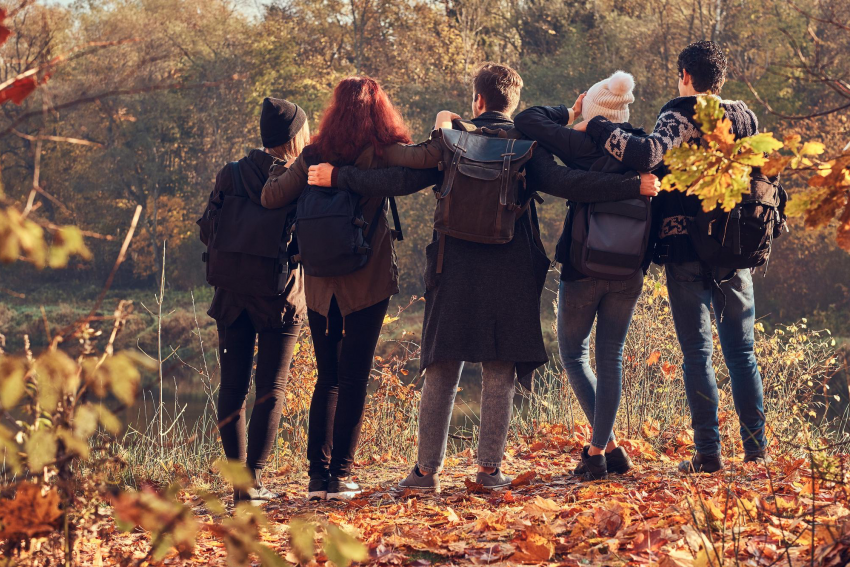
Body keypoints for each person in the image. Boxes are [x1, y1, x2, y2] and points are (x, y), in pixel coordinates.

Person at [307, 63, 659, 492]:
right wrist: (631, 185)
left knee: (442, 366)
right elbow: (573, 183)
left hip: (452, 267)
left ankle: (425, 472)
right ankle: (489, 471)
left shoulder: (453, 141)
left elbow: (398, 179)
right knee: (499, 369)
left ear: (478, 100)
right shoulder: (528, 146)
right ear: (512, 103)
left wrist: (340, 176)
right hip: (510, 269)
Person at [577, 41, 768, 473]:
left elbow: (646, 154)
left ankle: (709, 454)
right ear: (720, 78)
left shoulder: (680, 113)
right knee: (742, 353)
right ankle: (756, 452)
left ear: (685, 74)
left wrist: (597, 126)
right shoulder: (745, 117)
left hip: (687, 247)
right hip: (735, 248)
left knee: (697, 354)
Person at [261, 77, 440, 500]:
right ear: (379, 111)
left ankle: (317, 479)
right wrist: (443, 126)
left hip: (320, 283)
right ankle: (340, 477)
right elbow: (428, 163)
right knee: (354, 377)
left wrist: (291, 169)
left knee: (328, 378)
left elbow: (271, 197)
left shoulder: (313, 155)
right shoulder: (381, 151)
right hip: (367, 281)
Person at [514, 71, 657, 480]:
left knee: (574, 355)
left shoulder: (583, 144)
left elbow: (527, 119)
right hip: (630, 269)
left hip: (583, 267)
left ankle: (598, 451)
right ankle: (607, 448)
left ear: (595, 113)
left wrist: (572, 112)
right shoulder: (645, 150)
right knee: (610, 356)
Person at [198, 97, 309, 505]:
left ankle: (239, 486)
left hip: (231, 295)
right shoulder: (297, 178)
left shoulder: (230, 174)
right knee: (270, 388)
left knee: (232, 386)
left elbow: (207, 230)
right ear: (294, 136)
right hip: (280, 297)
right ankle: (255, 481)